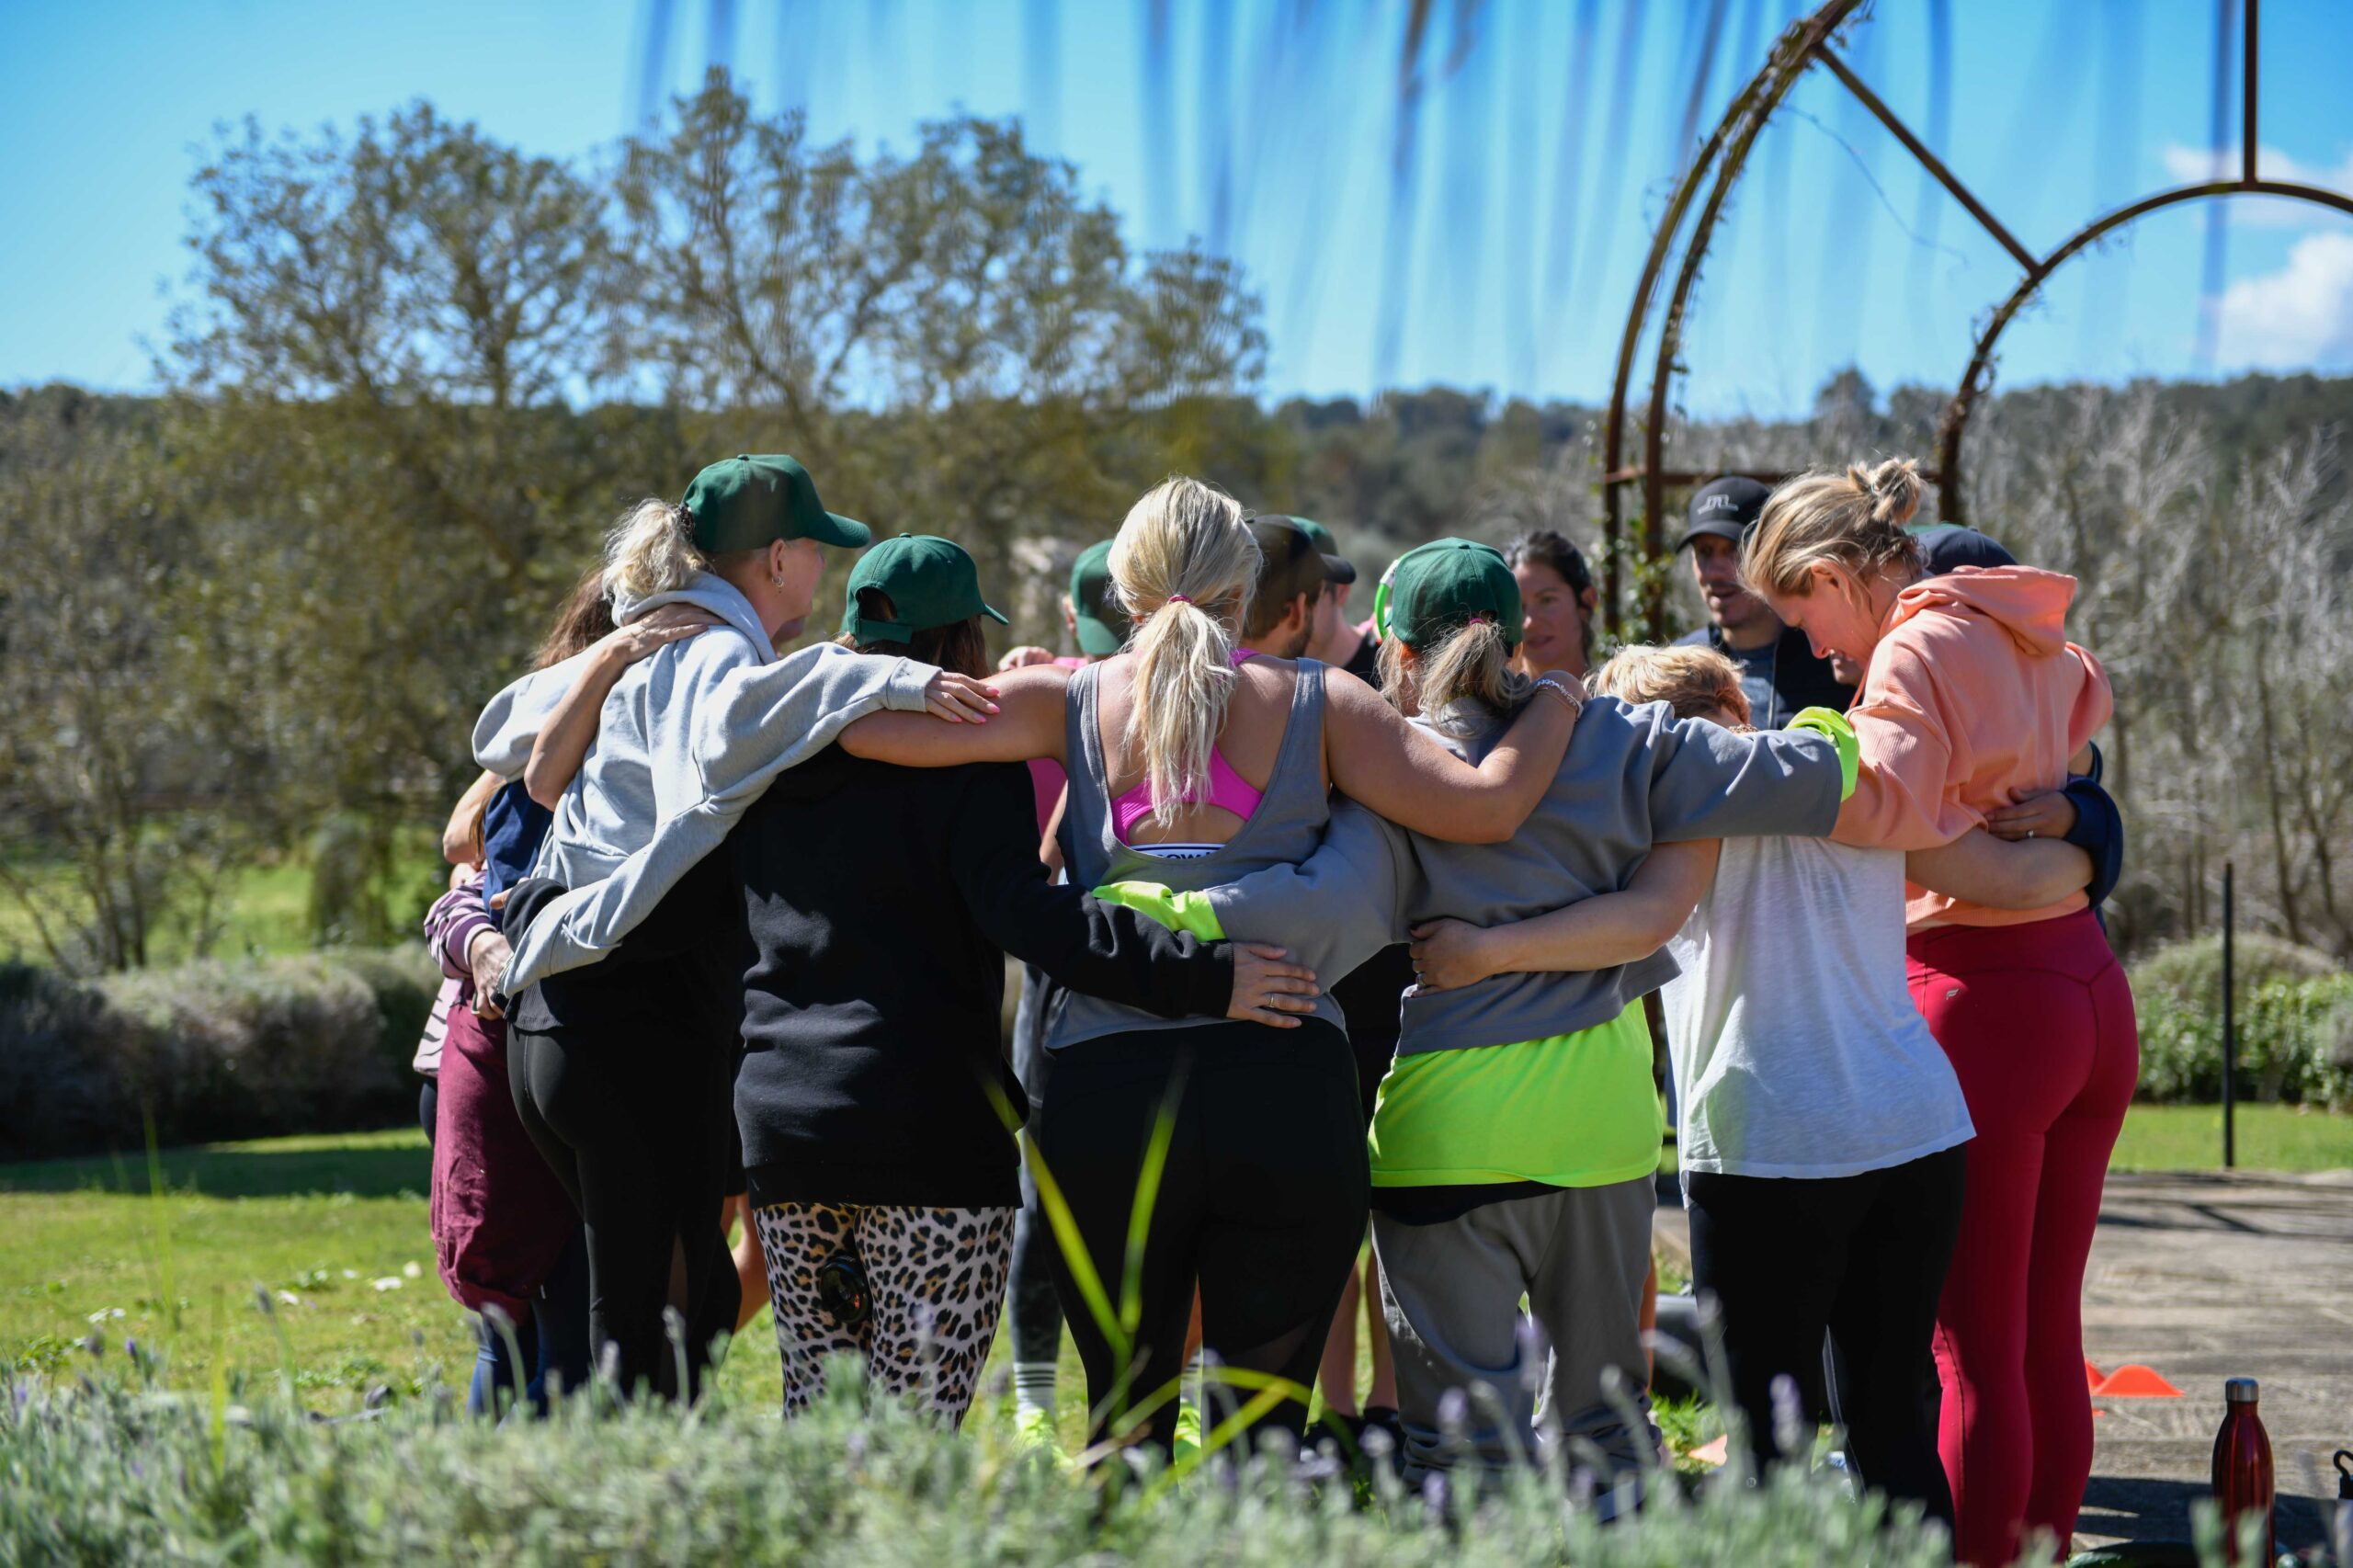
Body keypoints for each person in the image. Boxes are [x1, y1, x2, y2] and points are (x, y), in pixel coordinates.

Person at [829, 480, 1585, 1458]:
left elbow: (860, 730)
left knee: (1122, 1433)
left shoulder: (1063, 701)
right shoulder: (1324, 704)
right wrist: (1561, 695)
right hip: (1282, 1087)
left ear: (1125, 590)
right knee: (1258, 1446)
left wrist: (882, 678)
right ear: (1247, 587)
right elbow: (1487, 804)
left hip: (1105, 1093)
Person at [1099, 539, 1856, 1496]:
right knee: (1607, 1428)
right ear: (1516, 638)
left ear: (1400, 655)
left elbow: (1303, 913)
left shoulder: (1386, 780)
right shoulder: (1629, 739)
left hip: (1444, 1142)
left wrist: (1125, 915)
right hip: (1602, 1134)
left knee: (1463, 1446)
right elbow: (1818, 776)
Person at [1425, 643, 2106, 1527]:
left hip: (1768, 1143)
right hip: (1916, 1131)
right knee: (1895, 1423)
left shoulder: (1665, 814)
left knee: (1765, 1448)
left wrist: (1481, 953)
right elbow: (2002, 878)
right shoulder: (1857, 789)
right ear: (1736, 712)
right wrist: (2096, 842)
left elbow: (1637, 924)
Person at [727, 534, 1319, 1424]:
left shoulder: (772, 753)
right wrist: (1204, 977)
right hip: (924, 1133)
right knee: (916, 1433)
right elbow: (1028, 917)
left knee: (819, 1424)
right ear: (963, 641)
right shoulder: (966, 754)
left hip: (784, 1125)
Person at [474, 455, 993, 1401]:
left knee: (694, 1301)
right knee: (649, 1337)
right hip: (629, 1022)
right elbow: (730, 731)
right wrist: (899, 680)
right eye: (817, 551)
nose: (824, 575)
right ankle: (627, 1534)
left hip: (559, 1027)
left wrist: (607, 651)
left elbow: (502, 729)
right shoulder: (713, 650)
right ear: (782, 555)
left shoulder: (664, 639)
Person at [1742, 459, 2132, 1567]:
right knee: (2045, 1328)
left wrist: (1791, 764)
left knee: (1970, 1347)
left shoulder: (1911, 643)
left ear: (1832, 573)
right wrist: (2067, 834)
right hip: (2089, 989)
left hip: (1985, 998)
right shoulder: (2014, 619)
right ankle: (2043, 1548)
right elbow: (2088, 699)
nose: (1814, 652)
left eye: (1804, 614)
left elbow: (1882, 802)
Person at [1675, 476, 1853, 727]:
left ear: (1770, 553)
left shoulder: (1830, 656)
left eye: (1734, 549)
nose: (1715, 571)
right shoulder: (1683, 667)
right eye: (1704, 552)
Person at [1241, 515, 1356, 661]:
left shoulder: (1207, 671)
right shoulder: (1344, 683)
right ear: (1295, 612)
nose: (1310, 624)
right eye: (1312, 597)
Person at [1290, 517, 1382, 685]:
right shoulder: (1254, 673)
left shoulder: (1388, 670)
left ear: (1341, 592)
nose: (1291, 609)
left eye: (1307, 594)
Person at [1501, 529, 1601, 680]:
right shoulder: (1488, 703)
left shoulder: (1623, 699)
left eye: (1547, 600)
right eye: (1518, 607)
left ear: (1587, 600)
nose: (1530, 623)